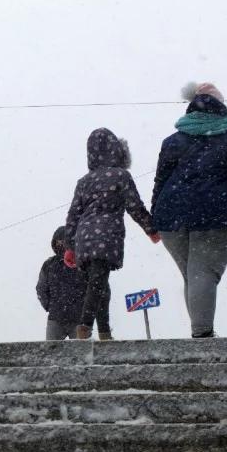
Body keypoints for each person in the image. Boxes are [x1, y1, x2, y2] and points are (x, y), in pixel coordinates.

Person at [151, 82, 227, 338]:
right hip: (217, 213)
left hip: (171, 216)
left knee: (192, 275)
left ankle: (200, 331)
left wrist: (154, 218)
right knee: (203, 273)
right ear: (221, 107)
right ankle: (202, 335)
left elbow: (160, 182)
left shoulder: (173, 141)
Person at [64, 128, 159, 341]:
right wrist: (151, 229)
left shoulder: (84, 181)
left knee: (99, 284)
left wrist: (70, 246)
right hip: (107, 235)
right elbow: (135, 206)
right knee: (97, 283)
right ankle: (85, 326)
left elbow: (73, 215)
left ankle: (105, 332)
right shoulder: (120, 176)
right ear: (117, 151)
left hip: (83, 237)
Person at [36, 226, 87, 340]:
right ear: (55, 243)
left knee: (82, 355)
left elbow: (93, 288)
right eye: (59, 241)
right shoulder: (49, 264)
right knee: (52, 355)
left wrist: (86, 309)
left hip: (80, 320)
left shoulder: (83, 263)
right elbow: (41, 288)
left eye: (65, 241)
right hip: (56, 319)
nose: (62, 244)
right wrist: (50, 306)